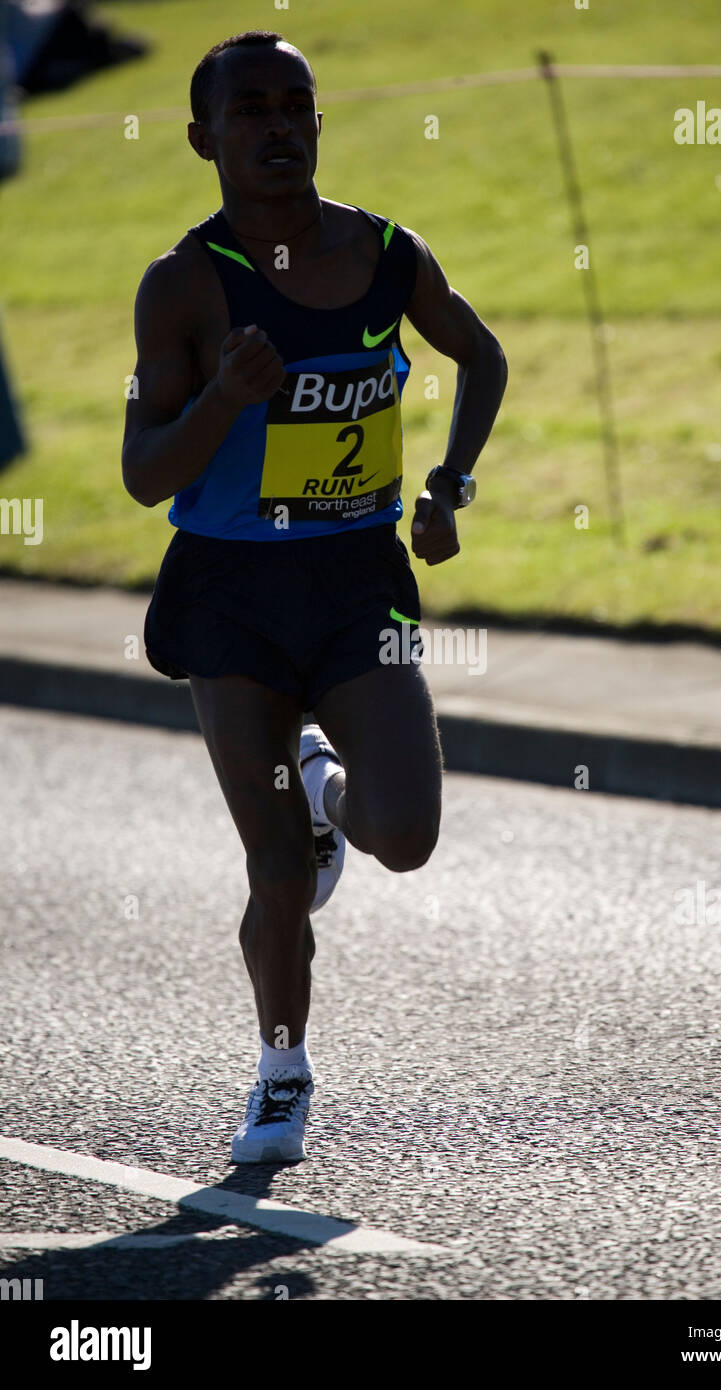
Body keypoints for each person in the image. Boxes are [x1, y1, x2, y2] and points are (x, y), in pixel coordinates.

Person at [121, 29, 507, 1163]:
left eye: (297, 105)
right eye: (250, 110)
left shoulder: (387, 254)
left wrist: (446, 486)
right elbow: (146, 473)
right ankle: (280, 1069)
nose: (278, 126)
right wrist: (221, 405)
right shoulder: (184, 285)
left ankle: (338, 796)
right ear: (205, 138)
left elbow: (479, 357)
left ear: (317, 124)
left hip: (354, 578)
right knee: (274, 863)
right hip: (231, 592)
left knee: (406, 831)